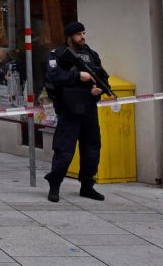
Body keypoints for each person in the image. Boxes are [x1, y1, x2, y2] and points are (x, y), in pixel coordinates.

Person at [44, 21, 107, 202]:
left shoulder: (91, 55)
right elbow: (53, 76)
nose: (83, 37)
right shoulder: (57, 55)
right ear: (69, 36)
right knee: (64, 151)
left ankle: (87, 186)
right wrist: (78, 75)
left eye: (84, 33)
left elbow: (103, 78)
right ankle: (54, 185)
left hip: (88, 109)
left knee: (92, 150)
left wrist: (99, 90)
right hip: (69, 109)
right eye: (79, 34)